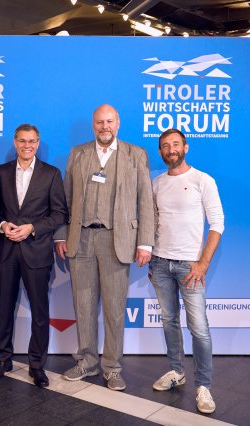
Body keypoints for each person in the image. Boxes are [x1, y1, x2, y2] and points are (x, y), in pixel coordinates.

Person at [54, 104, 154, 391]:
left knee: (114, 308)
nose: (104, 126)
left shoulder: (136, 154)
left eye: (109, 121)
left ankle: (112, 367)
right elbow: (65, 199)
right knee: (83, 305)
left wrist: (145, 242)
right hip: (81, 239)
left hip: (117, 241)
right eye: (100, 122)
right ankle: (87, 361)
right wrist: (61, 235)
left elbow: (145, 200)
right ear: (93, 125)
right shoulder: (78, 153)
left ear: (118, 123)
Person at [148, 128, 224, 414]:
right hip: (160, 263)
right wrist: (152, 258)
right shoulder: (156, 183)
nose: (171, 150)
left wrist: (203, 263)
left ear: (186, 147)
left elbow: (217, 223)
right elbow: (153, 222)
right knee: (169, 321)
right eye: (165, 146)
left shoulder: (203, 180)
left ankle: (203, 386)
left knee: (199, 329)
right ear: (160, 151)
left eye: (176, 144)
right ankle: (176, 372)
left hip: (190, 266)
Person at [0, 124, 68, 387]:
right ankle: (3, 359)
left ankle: (37, 365)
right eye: (22, 141)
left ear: (38, 143)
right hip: (7, 251)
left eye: (32, 141)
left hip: (37, 251)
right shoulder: (1, 172)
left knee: (39, 312)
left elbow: (59, 213)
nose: (27, 145)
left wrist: (32, 228)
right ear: (15, 143)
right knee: (4, 308)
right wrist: (3, 225)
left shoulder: (51, 174)